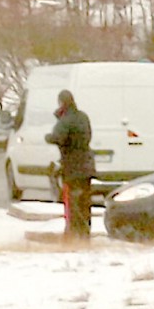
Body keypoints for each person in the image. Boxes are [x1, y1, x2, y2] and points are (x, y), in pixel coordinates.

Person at [45, 89, 95, 239]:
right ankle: (85, 233)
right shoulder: (83, 117)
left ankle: (74, 234)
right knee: (84, 202)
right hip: (86, 166)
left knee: (72, 203)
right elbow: (88, 136)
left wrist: (49, 137)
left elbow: (58, 137)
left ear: (61, 103)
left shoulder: (66, 120)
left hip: (72, 167)